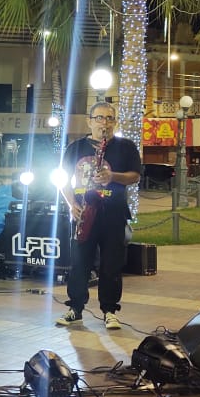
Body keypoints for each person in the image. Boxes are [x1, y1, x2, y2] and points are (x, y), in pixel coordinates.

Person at [56, 103, 142, 330]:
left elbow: (134, 176)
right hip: (84, 212)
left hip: (113, 213)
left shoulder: (126, 147)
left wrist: (112, 176)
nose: (104, 123)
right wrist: (71, 204)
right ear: (89, 120)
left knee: (112, 264)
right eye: (100, 118)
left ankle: (110, 311)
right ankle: (75, 308)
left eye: (109, 118)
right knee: (79, 263)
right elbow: (63, 180)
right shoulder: (75, 148)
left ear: (115, 121)